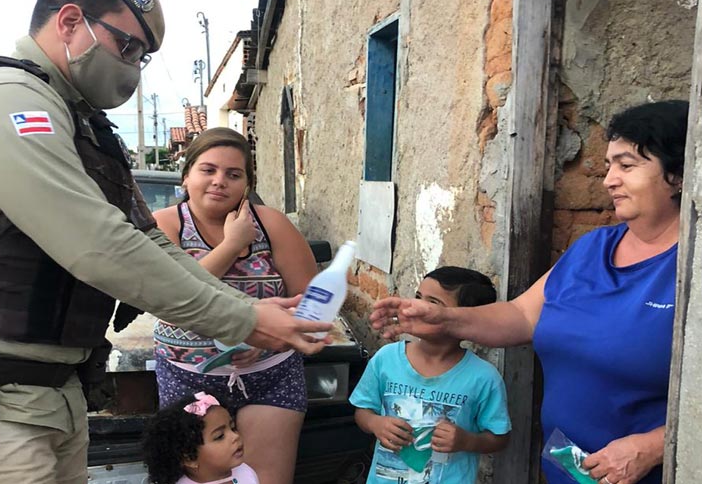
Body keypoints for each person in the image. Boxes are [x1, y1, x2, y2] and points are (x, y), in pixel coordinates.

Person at [0, 0, 330, 482]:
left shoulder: (84, 126)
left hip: (55, 392)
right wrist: (240, 317)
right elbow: (97, 242)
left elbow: (144, 238)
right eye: (127, 47)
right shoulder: (4, 99)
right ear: (70, 22)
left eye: (144, 56)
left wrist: (246, 310)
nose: (133, 68)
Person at [370, 100, 688, 484]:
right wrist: (445, 318)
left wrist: (654, 446)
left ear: (679, 173)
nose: (609, 180)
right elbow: (521, 316)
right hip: (569, 467)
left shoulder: (690, 270)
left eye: (627, 165)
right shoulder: (592, 249)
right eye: (608, 166)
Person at [151, 127, 317, 484]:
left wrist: (269, 338)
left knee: (264, 479)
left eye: (233, 174)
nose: (219, 181)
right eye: (207, 170)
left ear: (246, 184)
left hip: (271, 374)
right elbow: (169, 298)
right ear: (186, 177)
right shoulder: (165, 225)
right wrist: (232, 244)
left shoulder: (271, 224)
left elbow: (314, 303)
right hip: (188, 378)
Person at [351, 267, 511, 483]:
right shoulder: (386, 359)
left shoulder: (483, 377)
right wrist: (375, 424)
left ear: (464, 318)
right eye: (418, 297)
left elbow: (500, 438)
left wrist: (468, 441)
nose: (417, 308)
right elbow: (362, 411)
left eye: (432, 303)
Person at [143, 391, 259, 484]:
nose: (235, 436)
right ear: (190, 458)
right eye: (219, 436)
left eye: (233, 428)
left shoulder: (246, 472)